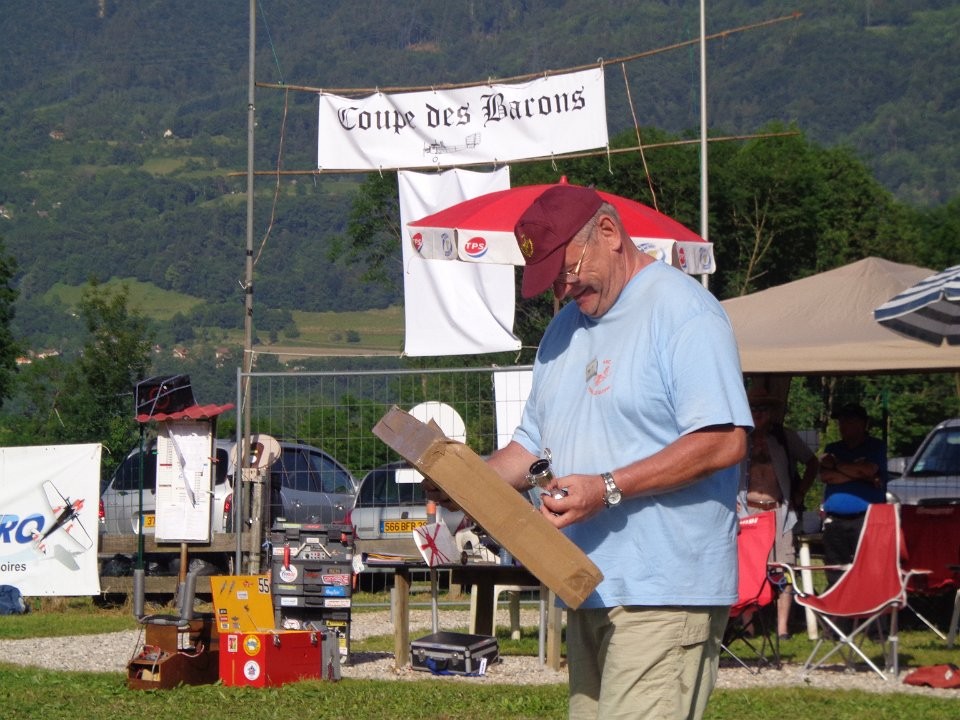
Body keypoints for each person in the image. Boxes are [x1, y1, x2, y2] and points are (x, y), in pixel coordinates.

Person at [465, 185, 751, 719]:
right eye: (552, 278)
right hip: (587, 583)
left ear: (609, 233)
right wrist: (464, 479)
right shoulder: (563, 328)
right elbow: (530, 448)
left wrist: (607, 487)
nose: (564, 285)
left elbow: (724, 440)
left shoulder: (685, 313)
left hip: (664, 591)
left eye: (569, 268)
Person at [737, 389, 819, 639]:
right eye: (753, 409)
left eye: (763, 409)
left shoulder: (785, 437)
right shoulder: (738, 438)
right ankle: (747, 625)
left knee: (784, 567)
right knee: (747, 567)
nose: (758, 414)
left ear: (771, 413)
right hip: (746, 511)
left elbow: (813, 462)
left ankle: (782, 628)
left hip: (779, 511)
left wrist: (800, 493)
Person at [819, 402, 888, 586]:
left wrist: (839, 466)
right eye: (841, 421)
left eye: (848, 421)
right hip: (835, 521)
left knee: (868, 569)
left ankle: (867, 611)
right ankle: (840, 610)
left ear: (863, 424)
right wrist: (861, 475)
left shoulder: (875, 447)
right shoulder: (832, 448)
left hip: (866, 519)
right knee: (835, 570)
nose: (843, 425)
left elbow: (868, 469)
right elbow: (826, 476)